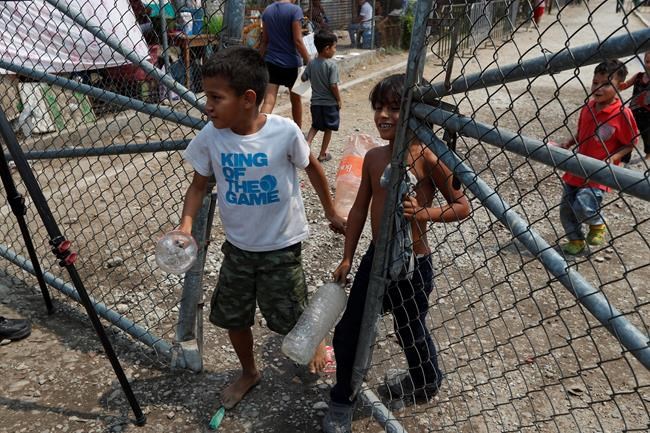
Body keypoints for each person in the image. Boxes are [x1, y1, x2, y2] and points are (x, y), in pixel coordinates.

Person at [179, 46, 346, 410]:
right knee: (233, 316)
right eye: (207, 96)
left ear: (248, 99)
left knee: (291, 314)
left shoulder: (284, 132)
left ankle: (317, 340)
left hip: (282, 248)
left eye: (216, 98)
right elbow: (198, 186)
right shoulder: (211, 136)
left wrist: (331, 212)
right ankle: (249, 372)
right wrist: (186, 224)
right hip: (238, 249)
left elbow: (313, 168)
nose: (207, 106)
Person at [322, 74, 471, 433]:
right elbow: (360, 209)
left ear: (418, 114)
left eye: (394, 108)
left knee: (410, 330)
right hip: (375, 259)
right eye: (379, 107)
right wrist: (347, 257)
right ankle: (342, 397)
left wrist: (424, 213)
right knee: (349, 329)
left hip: (413, 264)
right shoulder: (374, 157)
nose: (383, 115)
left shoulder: (428, 156)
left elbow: (462, 206)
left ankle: (425, 379)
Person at [558, 59, 639, 255]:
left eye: (606, 84)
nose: (598, 88)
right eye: (595, 82)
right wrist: (569, 142)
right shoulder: (588, 107)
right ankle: (576, 240)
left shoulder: (622, 114)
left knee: (583, 205)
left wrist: (613, 158)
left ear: (620, 86)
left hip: (599, 172)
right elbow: (582, 133)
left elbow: (631, 143)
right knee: (566, 209)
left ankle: (597, 222)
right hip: (577, 168)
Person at [259, 0, 311, 128]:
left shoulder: (268, 10)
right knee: (296, 100)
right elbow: (298, 41)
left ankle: (259, 130)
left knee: (268, 101)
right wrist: (309, 61)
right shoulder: (295, 10)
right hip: (292, 64)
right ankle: (297, 131)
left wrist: (258, 60)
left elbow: (265, 41)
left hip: (271, 62)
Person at [301, 30, 342, 163]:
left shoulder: (311, 63)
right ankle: (323, 154)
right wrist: (339, 99)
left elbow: (303, 78)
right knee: (328, 129)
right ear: (327, 49)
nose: (335, 50)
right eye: (334, 47)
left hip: (316, 103)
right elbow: (333, 85)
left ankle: (307, 145)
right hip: (330, 104)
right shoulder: (332, 65)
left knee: (315, 126)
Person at [620, 51, 650, 161]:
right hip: (633, 111)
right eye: (647, 61)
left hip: (648, 115)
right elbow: (626, 85)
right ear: (644, 61)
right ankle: (625, 157)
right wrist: (618, 83)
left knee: (647, 135)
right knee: (629, 134)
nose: (649, 65)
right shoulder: (638, 76)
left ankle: (648, 153)